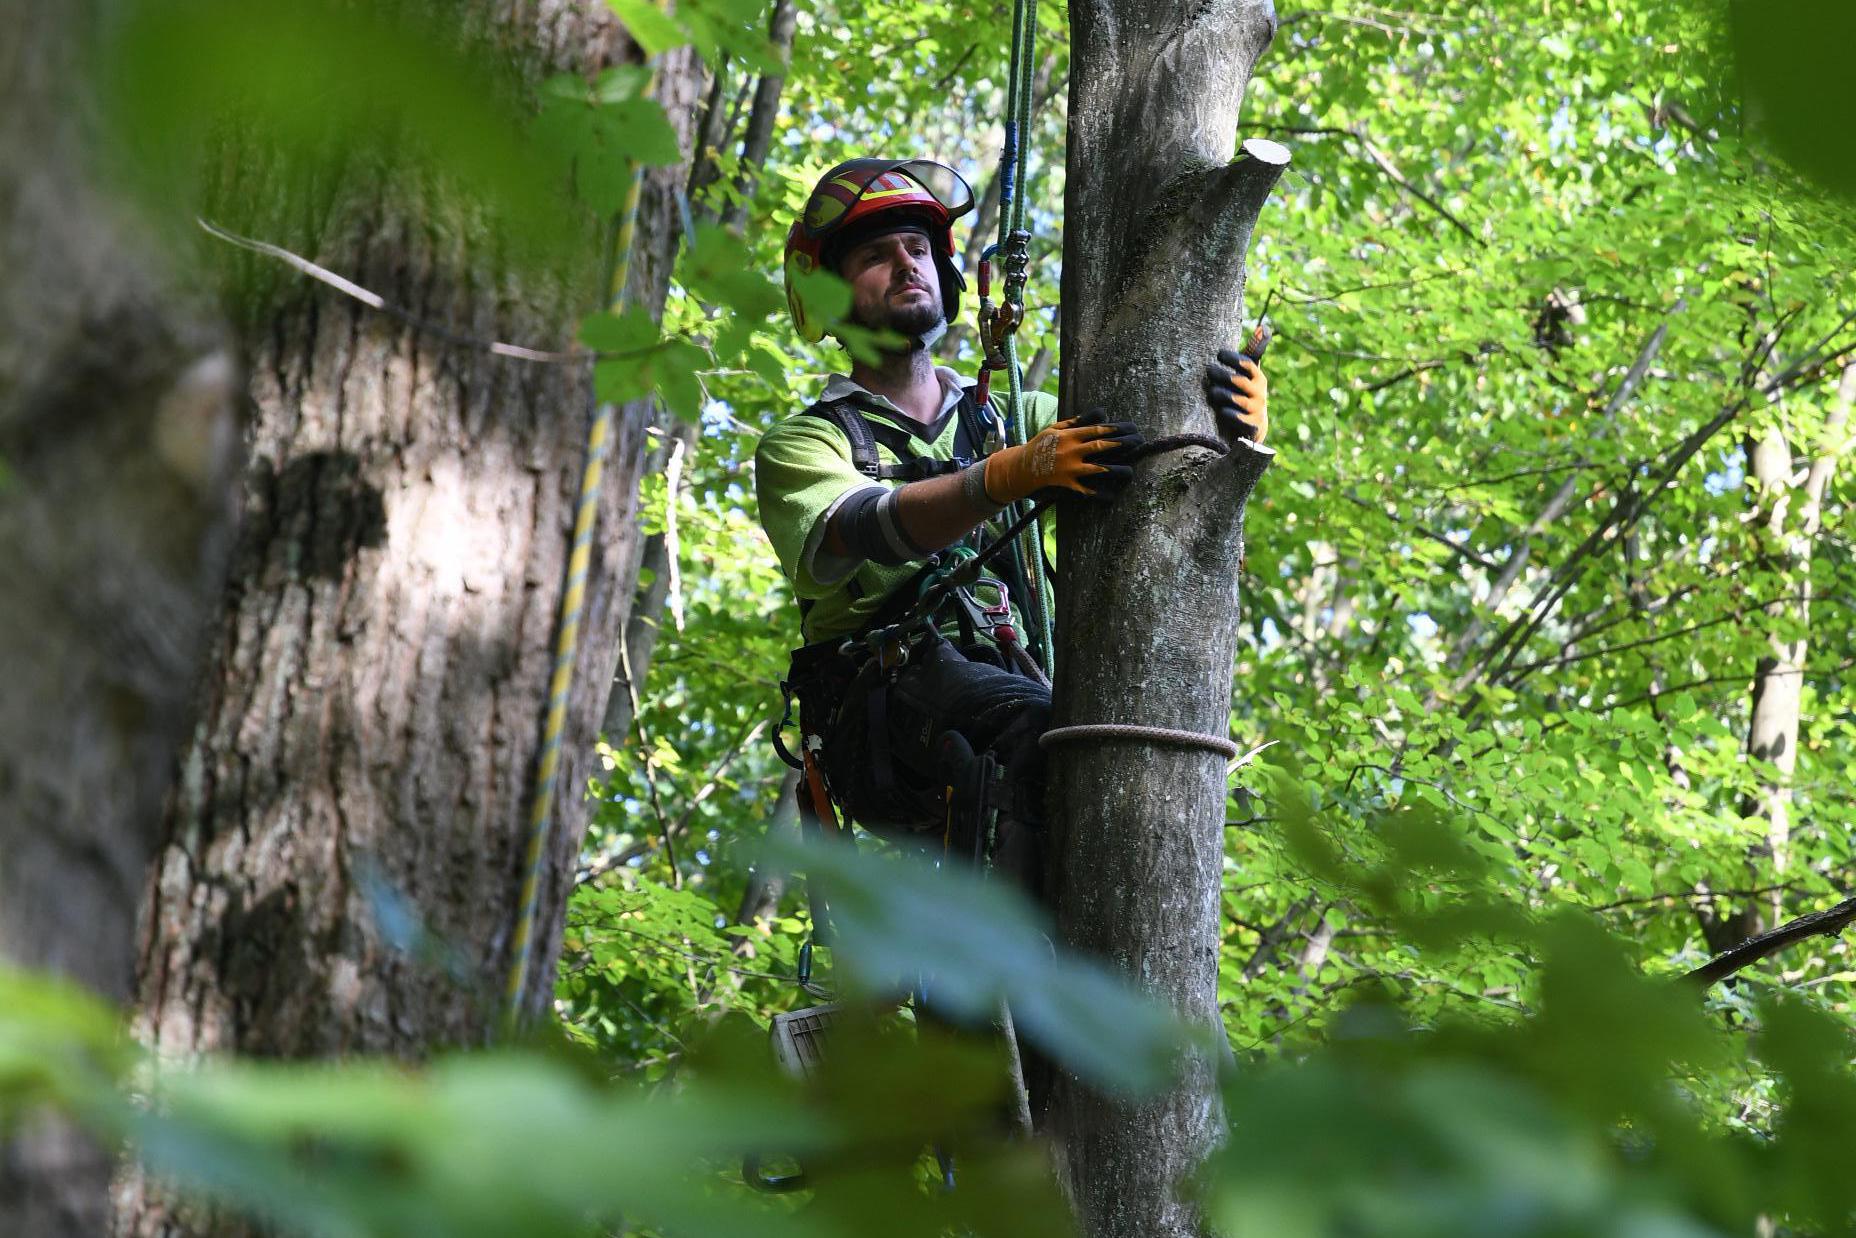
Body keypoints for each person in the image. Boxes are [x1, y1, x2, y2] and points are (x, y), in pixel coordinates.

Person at [755, 157, 1269, 883]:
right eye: (875, 256)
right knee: (1049, 740)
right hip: (885, 708)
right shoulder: (811, 442)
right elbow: (857, 526)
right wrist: (1001, 477)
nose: (907, 265)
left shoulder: (1013, 419)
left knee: (1112, 750)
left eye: (918, 249)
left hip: (1013, 682)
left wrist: (1225, 418)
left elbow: (1143, 458)